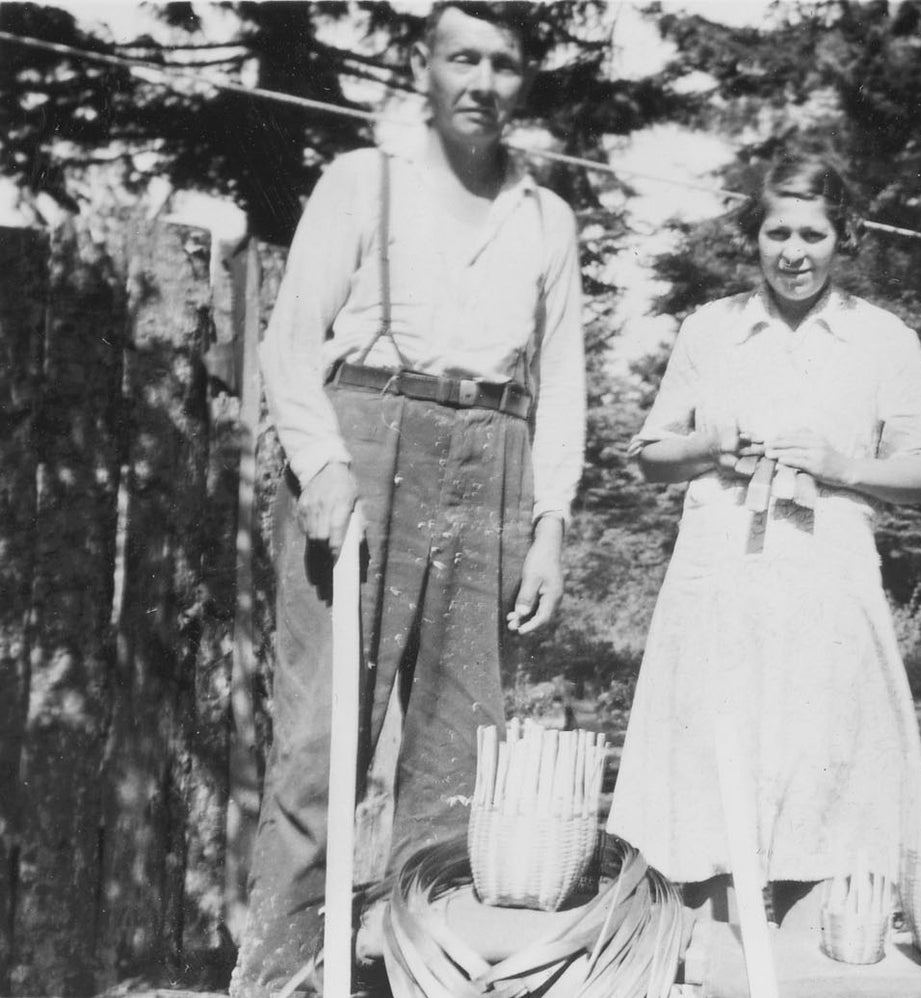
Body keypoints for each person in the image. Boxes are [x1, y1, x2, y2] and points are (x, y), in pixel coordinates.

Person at [231, 4, 584, 996]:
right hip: (368, 432)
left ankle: (422, 973)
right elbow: (289, 340)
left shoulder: (547, 218)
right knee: (319, 737)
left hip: (497, 458)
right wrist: (320, 459)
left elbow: (562, 386)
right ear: (422, 67)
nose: (480, 80)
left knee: (458, 749)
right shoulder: (363, 181)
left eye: (503, 64)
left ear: (523, 82)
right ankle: (279, 976)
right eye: (460, 57)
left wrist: (550, 523)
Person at [606, 156, 921, 927]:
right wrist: (710, 447)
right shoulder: (711, 329)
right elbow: (651, 455)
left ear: (845, 237)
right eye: (776, 233)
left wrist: (842, 467)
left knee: (821, 751)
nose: (793, 252)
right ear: (752, 238)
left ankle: (802, 942)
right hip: (721, 571)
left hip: (825, 572)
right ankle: (707, 943)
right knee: (712, 750)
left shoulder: (882, 338)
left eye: (813, 234)